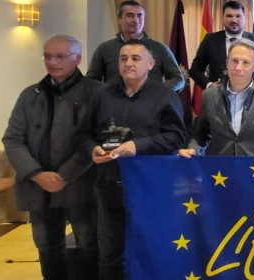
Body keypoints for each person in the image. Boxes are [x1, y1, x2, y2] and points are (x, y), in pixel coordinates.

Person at [75, 39, 187, 280]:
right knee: (110, 256)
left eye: (136, 58)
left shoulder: (165, 96)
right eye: (123, 58)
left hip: (151, 190)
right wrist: (92, 148)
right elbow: (83, 134)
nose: (128, 63)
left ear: (150, 64)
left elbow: (176, 137)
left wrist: (138, 146)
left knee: (152, 251)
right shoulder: (102, 95)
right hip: (110, 188)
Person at [2, 34, 101, 280]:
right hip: (38, 188)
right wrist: (36, 174)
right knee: (47, 248)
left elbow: (99, 140)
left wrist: (65, 174)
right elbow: (12, 139)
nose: (52, 62)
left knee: (89, 246)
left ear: (77, 59)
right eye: (47, 56)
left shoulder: (97, 92)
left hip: (82, 185)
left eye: (60, 56)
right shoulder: (30, 95)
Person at [179, 38, 254, 158]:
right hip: (219, 167)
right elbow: (200, 135)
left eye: (245, 63)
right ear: (227, 63)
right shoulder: (210, 95)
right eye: (234, 61)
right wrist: (192, 149)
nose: (238, 68)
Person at [87, 0, 184, 91]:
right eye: (130, 15)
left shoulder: (160, 49)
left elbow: (178, 79)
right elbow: (90, 81)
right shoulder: (105, 49)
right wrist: (108, 92)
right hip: (112, 101)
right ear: (119, 19)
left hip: (151, 102)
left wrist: (158, 91)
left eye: (140, 16)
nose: (136, 20)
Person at [189, 0, 254, 88]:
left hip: (251, 94)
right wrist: (209, 85)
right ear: (223, 18)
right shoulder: (210, 40)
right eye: (229, 16)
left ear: (244, 18)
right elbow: (195, 70)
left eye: (238, 16)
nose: (234, 20)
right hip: (218, 93)